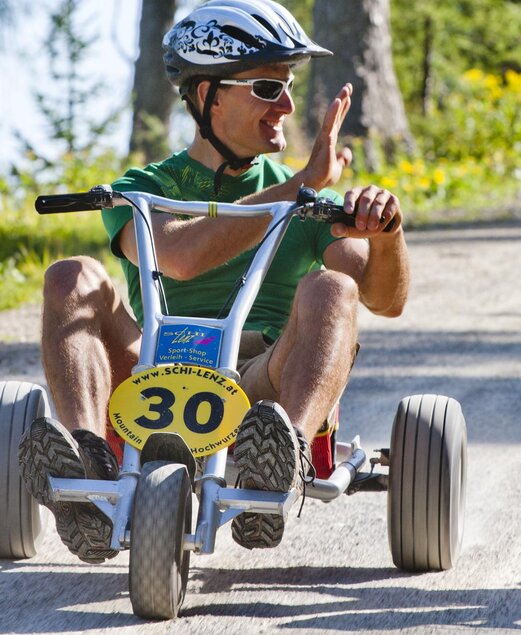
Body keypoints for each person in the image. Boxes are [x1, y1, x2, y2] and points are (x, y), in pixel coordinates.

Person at [18, 0, 409, 563]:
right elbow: (177, 257)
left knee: (334, 289)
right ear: (209, 95)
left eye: (289, 86)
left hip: (258, 389)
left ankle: (280, 465)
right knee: (71, 275)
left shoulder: (305, 200)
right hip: (149, 370)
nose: (289, 106)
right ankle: (85, 464)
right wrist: (298, 186)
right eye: (269, 89)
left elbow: (383, 299)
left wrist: (386, 232)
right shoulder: (145, 186)